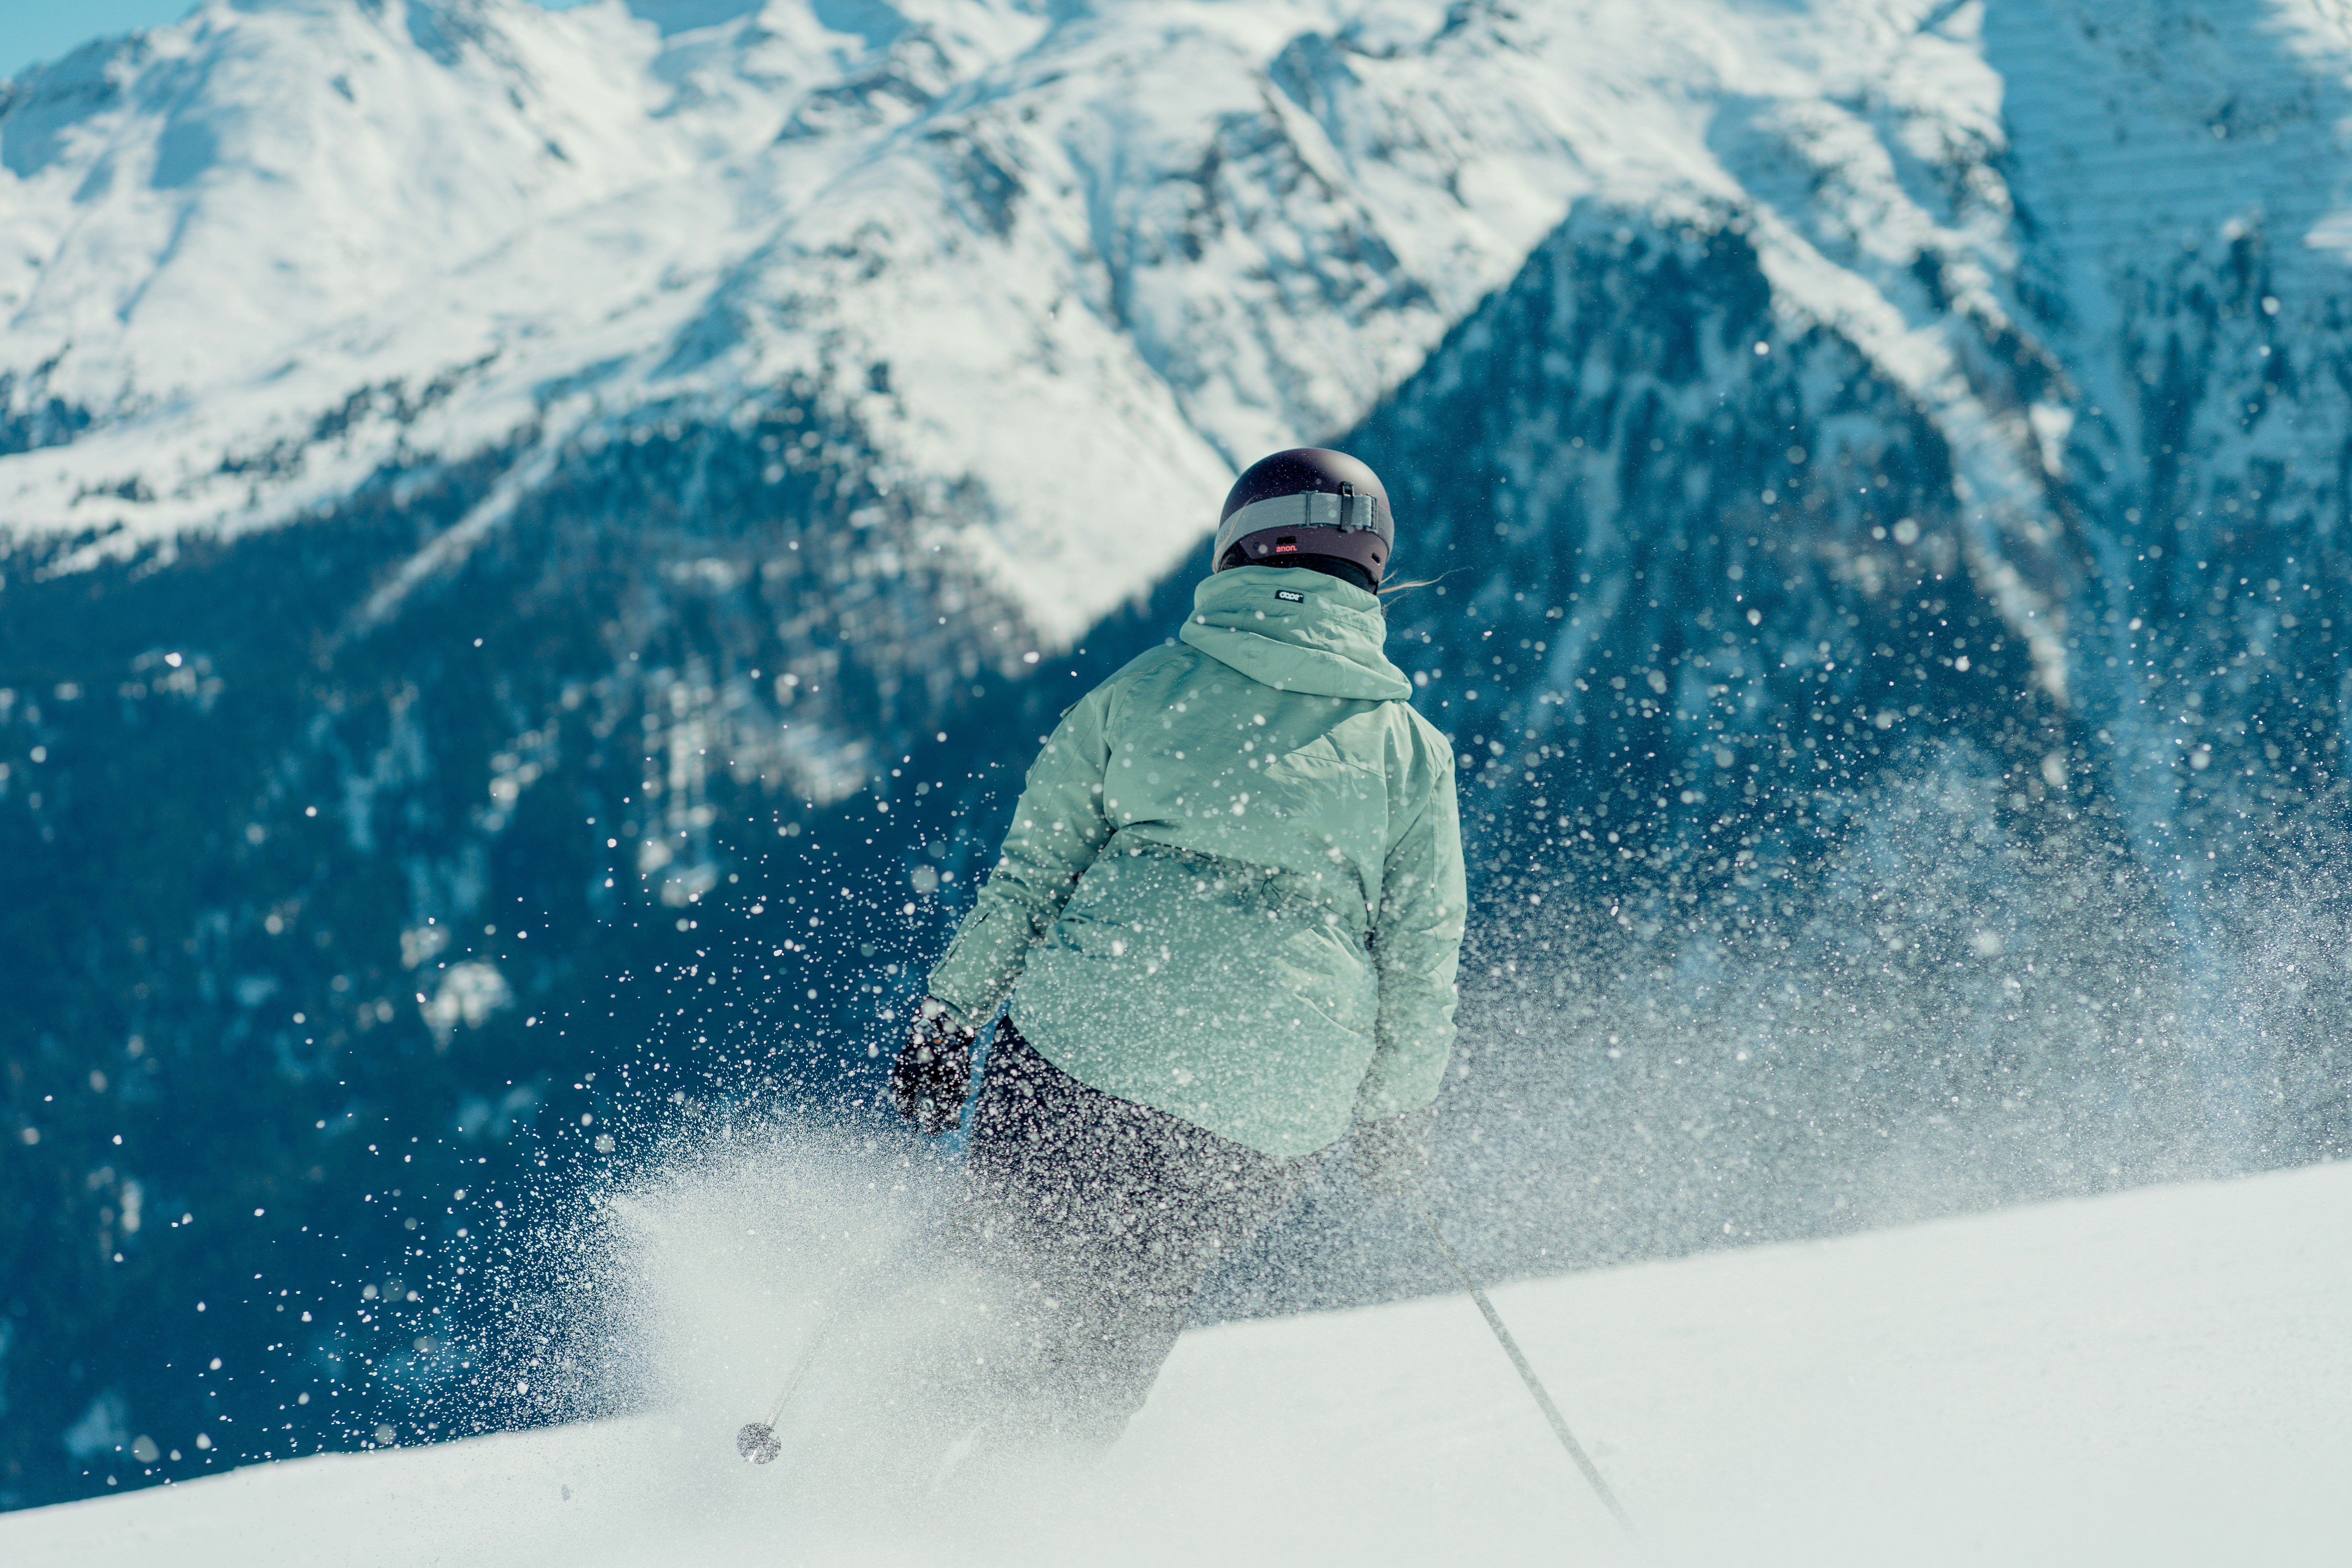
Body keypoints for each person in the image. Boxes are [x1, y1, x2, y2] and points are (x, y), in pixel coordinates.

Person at [887, 447, 1466, 1454]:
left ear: (1237, 547)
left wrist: (951, 1018)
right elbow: (1422, 956)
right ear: (1373, 568)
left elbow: (1032, 879)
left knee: (989, 1287)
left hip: (1090, 1039)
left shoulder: (1142, 693)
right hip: (1268, 1099)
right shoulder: (1411, 752)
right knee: (1109, 1336)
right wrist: (1393, 1116)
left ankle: (868, 1510)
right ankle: (1025, 1513)